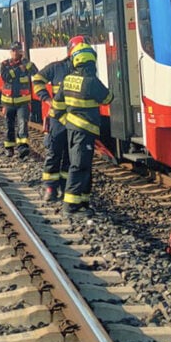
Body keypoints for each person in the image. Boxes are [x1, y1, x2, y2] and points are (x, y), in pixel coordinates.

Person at [54, 42, 112, 217]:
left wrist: (68, 122)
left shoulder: (68, 79)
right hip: (85, 131)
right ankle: (70, 206)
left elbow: (56, 106)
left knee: (83, 166)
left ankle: (83, 203)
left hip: (72, 129)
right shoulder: (91, 82)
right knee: (79, 166)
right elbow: (108, 98)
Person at [31, 35, 87, 202]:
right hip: (58, 119)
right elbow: (38, 79)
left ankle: (64, 186)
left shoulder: (85, 70)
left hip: (75, 120)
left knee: (71, 157)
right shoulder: (57, 68)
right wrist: (46, 99)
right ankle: (50, 187)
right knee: (54, 153)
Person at [0, 41, 38, 158]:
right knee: (8, 126)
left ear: (21, 51)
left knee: (22, 125)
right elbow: (5, 76)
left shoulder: (26, 63)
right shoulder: (5, 64)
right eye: (13, 50)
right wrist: (18, 70)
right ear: (10, 52)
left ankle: (22, 148)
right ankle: (9, 148)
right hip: (8, 102)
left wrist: (27, 63)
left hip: (23, 102)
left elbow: (35, 71)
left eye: (17, 50)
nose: (15, 53)